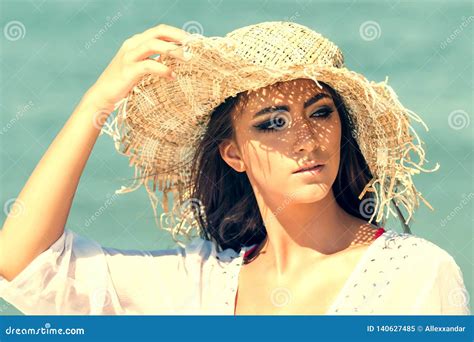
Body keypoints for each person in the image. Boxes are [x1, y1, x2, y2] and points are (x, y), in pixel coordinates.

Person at [0, 22, 470, 315]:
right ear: (234, 154)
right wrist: (96, 104)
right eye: (274, 122)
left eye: (321, 112)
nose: (306, 138)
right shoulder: (199, 285)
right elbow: (24, 268)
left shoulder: (415, 273)